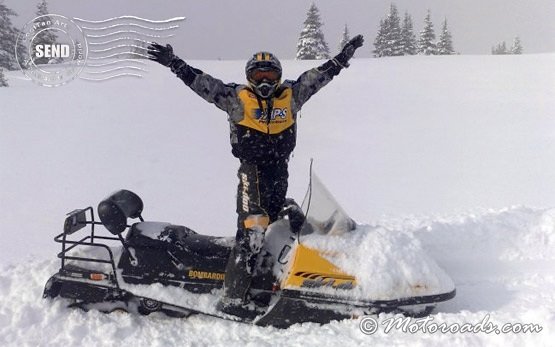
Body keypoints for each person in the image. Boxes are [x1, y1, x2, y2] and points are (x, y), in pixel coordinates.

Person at [147, 35, 364, 317]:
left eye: (269, 74)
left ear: (278, 76)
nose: (264, 81)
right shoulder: (235, 98)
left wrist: (341, 59)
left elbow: (317, 78)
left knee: (284, 224)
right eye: (258, 75)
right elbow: (203, 84)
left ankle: (272, 281)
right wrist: (174, 63)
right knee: (253, 231)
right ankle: (233, 298)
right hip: (252, 173)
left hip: (280, 170)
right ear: (249, 77)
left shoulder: (292, 95)